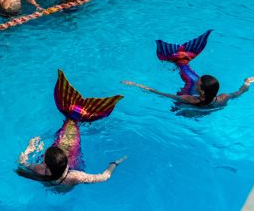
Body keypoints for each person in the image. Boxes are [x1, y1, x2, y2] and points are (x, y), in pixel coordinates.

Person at [17, 70, 126, 186]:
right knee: (72, 125)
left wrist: (30, 148)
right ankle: (76, 115)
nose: (41, 164)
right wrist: (114, 163)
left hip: (68, 151)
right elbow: (104, 177)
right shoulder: (73, 177)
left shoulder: (49, 172)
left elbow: (22, 162)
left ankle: (74, 114)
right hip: (66, 151)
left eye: (43, 161)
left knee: (71, 124)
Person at [123, 30, 254, 107]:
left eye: (199, 82)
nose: (198, 80)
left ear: (201, 90)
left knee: (186, 88)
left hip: (185, 106)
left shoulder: (188, 99)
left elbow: (159, 93)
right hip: (201, 105)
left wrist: (134, 84)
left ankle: (179, 59)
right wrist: (247, 82)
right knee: (192, 78)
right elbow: (239, 92)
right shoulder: (222, 98)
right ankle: (182, 60)